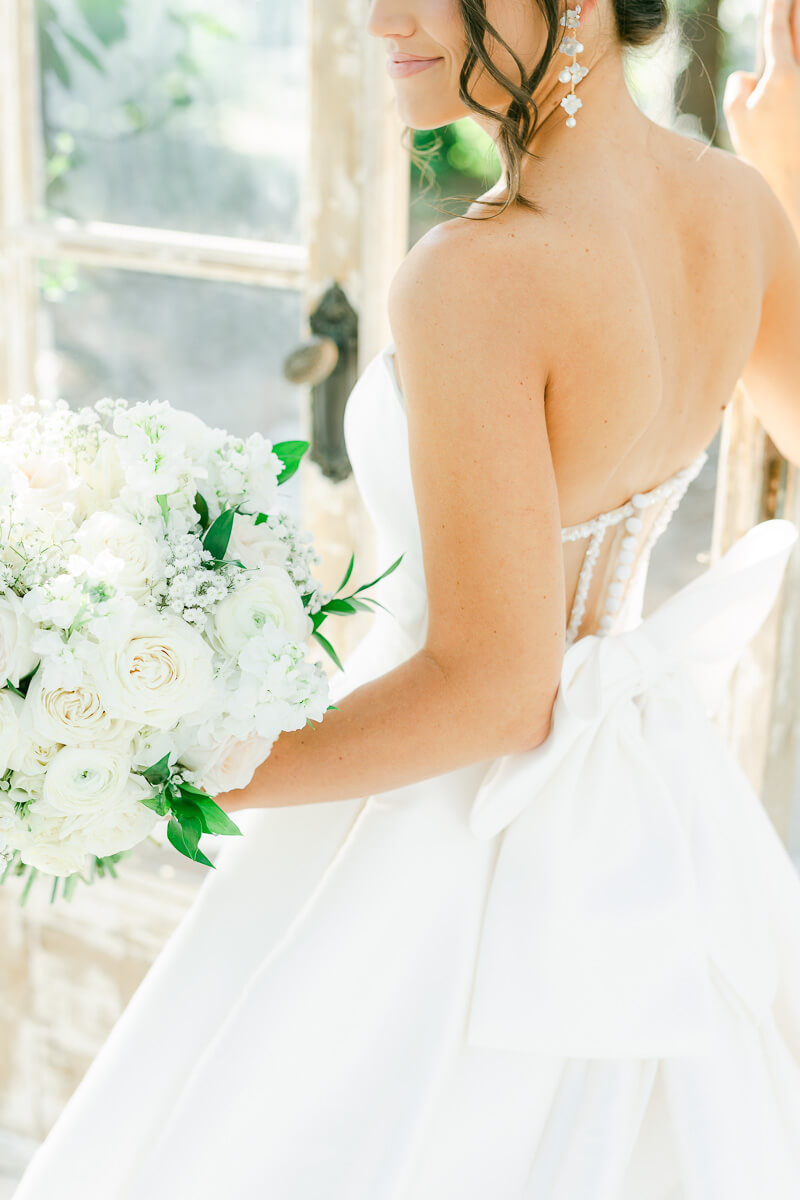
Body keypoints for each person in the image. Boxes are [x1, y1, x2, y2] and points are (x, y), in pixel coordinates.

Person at [13, 1, 800, 1197]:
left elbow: (494, 691)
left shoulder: (477, 275)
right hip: (656, 809)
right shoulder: (739, 206)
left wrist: (160, 763)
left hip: (439, 824)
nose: (382, 20)